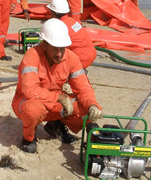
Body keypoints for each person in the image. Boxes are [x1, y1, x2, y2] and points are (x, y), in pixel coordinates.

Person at [11, 19, 103, 153]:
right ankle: (29, 138)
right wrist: (59, 98)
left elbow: (83, 88)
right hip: (28, 100)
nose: (59, 54)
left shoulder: (71, 58)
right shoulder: (32, 55)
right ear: (44, 44)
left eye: (62, 48)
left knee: (86, 108)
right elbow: (29, 90)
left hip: (55, 103)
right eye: (55, 48)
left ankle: (56, 125)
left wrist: (92, 105)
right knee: (33, 109)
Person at [47, 0, 96, 69]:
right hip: (91, 54)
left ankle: (74, 72)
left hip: (81, 58)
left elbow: (55, 47)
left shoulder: (61, 26)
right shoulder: (72, 21)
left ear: (54, 13)